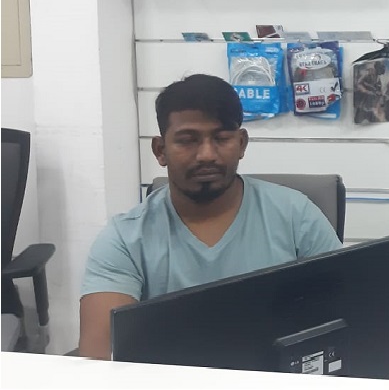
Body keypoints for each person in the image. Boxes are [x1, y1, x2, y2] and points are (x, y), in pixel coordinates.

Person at [78, 75, 341, 360]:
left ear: (241, 144)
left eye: (221, 138)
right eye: (187, 140)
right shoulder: (124, 239)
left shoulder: (296, 217)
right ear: (160, 150)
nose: (206, 155)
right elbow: (100, 357)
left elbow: (345, 318)